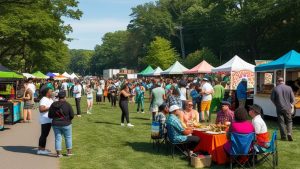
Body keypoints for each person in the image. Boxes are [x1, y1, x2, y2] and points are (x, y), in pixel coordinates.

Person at [48, 91, 74, 158]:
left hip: (56, 124)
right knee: (68, 137)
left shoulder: (53, 104)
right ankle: (69, 152)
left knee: (58, 138)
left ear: (58, 97)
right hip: (66, 123)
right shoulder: (67, 104)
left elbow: (49, 115)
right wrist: (68, 120)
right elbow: (72, 115)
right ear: (65, 97)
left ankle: (58, 154)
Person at [271, 77, 295, 141]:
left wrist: (276, 104)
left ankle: (283, 136)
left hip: (279, 107)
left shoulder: (275, 88)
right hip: (288, 108)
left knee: (281, 122)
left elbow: (272, 99)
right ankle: (289, 133)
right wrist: (292, 106)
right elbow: (293, 99)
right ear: (283, 81)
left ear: (278, 82)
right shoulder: (289, 88)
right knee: (289, 121)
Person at [37, 87, 54, 155]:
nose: (52, 93)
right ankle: (41, 149)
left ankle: (41, 148)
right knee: (44, 135)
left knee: (45, 135)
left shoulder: (50, 99)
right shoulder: (44, 99)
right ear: (47, 93)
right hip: (45, 119)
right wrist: (50, 108)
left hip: (49, 119)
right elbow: (41, 109)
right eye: (50, 91)